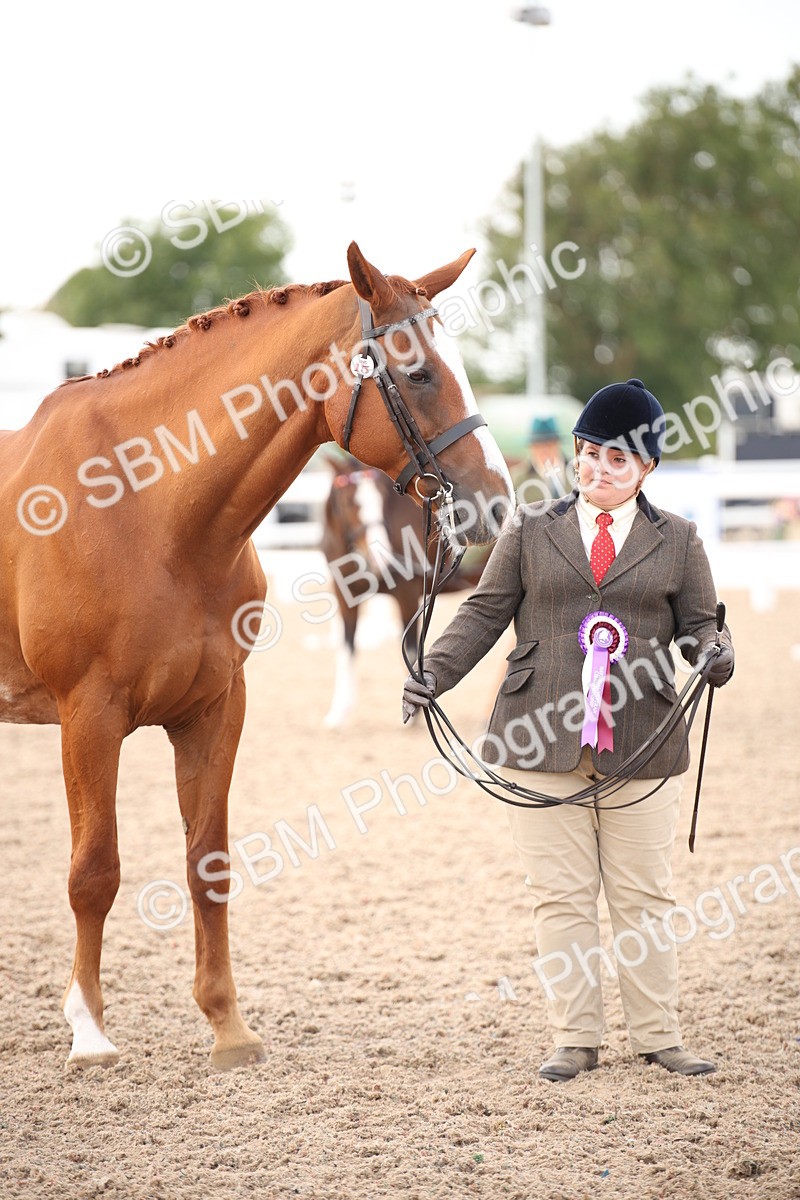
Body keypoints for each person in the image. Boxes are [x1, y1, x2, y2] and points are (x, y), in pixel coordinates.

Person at [403, 378, 735, 1082]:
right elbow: (484, 615)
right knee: (560, 896)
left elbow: (701, 626)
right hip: (538, 736)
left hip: (643, 738)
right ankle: (574, 1038)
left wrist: (714, 653)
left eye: (619, 459)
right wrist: (434, 674)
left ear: (647, 469)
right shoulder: (530, 527)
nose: (599, 469)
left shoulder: (679, 541)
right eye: (590, 454)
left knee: (644, 895)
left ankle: (659, 1035)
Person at [511, 414, 570, 506]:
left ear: (558, 443)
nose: (544, 450)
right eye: (538, 445)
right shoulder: (517, 478)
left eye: (549, 444)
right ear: (531, 446)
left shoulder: (578, 470)